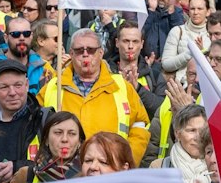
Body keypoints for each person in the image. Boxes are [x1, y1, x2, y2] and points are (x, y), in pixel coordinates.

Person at [39, 27, 151, 161]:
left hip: (110, 171)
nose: (85, 54)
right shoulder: (52, 87)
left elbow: (140, 126)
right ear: (71, 54)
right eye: (80, 51)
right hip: (62, 171)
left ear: (101, 53)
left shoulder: (122, 87)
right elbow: (34, 131)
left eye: (91, 50)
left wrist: (126, 159)